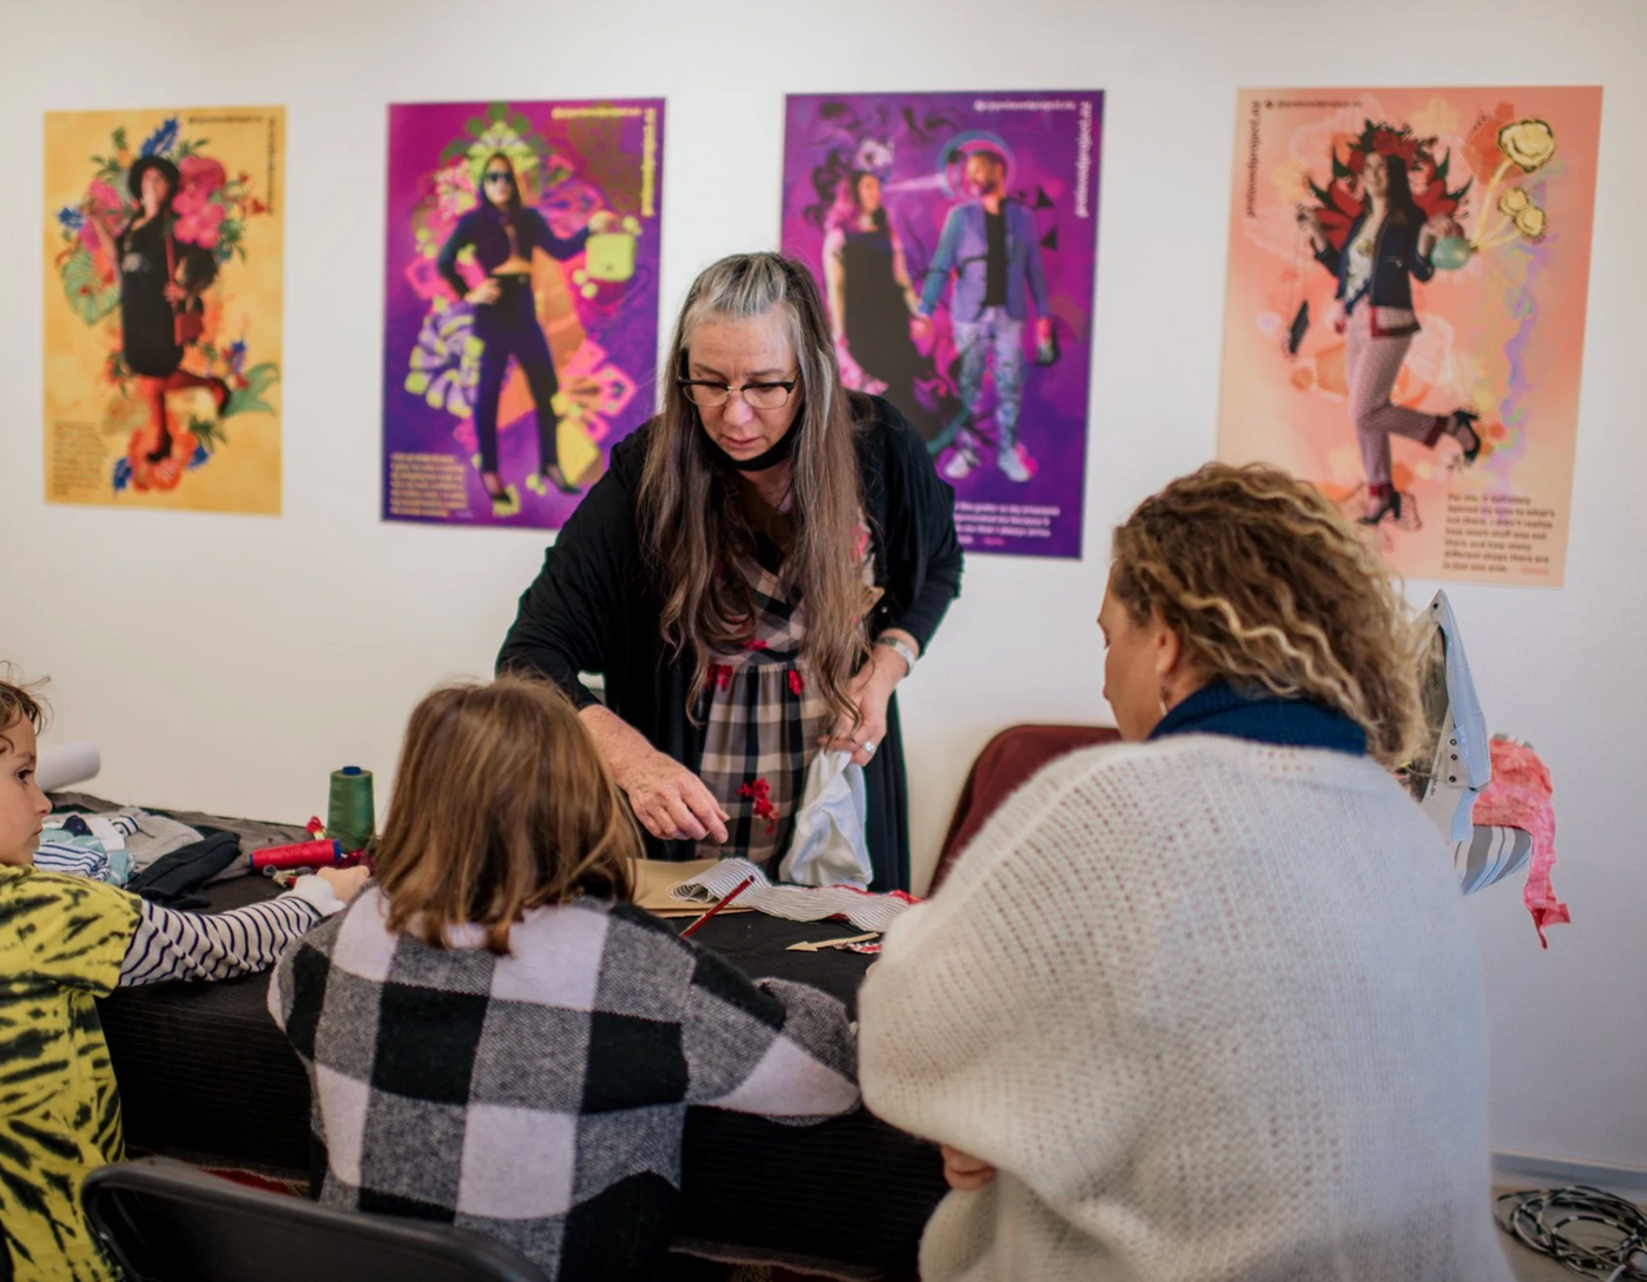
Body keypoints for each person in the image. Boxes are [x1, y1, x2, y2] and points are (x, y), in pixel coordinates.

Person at [856, 463, 1514, 1281]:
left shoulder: (1112, 803)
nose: (1103, 679)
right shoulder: (1402, 830)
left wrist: (987, 1113)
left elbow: (906, 1038)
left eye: (1111, 639)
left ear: (1164, 642)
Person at [269, 676, 858, 1282]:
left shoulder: (330, 947)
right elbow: (825, 1079)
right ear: (580, 794)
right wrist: (758, 995)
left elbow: (281, 997)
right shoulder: (632, 965)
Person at [0, 661, 369, 1282]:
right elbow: (216, 946)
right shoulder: (30, 907)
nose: (44, 802)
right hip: (51, 1265)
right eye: (21, 776)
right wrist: (322, 895)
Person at [497, 252, 962, 891]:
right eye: (710, 383)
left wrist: (885, 670)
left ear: (810, 374)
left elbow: (937, 566)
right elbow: (528, 657)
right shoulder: (647, 474)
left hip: (836, 791)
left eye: (766, 385)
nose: (734, 416)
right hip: (686, 823)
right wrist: (636, 766)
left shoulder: (878, 446)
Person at [1300, 147, 1482, 526]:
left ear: (1395, 175)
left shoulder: (1407, 220)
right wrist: (1316, 233)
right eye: (1368, 167)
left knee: (1364, 410)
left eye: (1382, 167)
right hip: (1356, 323)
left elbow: (1421, 270)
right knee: (1364, 417)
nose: (1373, 173)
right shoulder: (1361, 221)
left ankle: (1452, 427)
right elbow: (1342, 271)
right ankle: (1381, 495)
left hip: (1389, 320)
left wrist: (1427, 234)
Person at [436, 153, 616, 506]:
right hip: (493, 313)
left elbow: (560, 250)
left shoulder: (529, 218)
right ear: (484, 183)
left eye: (506, 177)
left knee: (545, 386)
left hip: (522, 309)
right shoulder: (473, 222)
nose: (500, 184)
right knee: (488, 395)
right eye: (493, 177)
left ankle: (550, 463)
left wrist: (590, 230)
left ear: (514, 182)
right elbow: (445, 260)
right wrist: (470, 292)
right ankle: (490, 472)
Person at [916, 147, 1053, 483]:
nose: (972, 178)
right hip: (969, 315)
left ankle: (1008, 450)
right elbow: (941, 264)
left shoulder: (1022, 217)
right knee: (968, 386)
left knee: (1009, 385)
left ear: (998, 171)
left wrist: (1043, 316)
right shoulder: (960, 217)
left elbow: (1034, 268)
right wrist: (925, 309)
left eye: (979, 170)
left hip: (1010, 315)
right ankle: (968, 449)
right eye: (969, 172)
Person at [91, 154, 224, 469]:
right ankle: (163, 433)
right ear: (139, 185)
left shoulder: (172, 227)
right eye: (147, 178)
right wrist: (96, 219)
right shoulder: (133, 225)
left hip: (160, 311)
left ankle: (210, 389)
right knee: (143, 368)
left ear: (169, 188)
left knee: (156, 374)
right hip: (135, 309)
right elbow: (115, 255)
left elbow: (207, 262)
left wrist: (187, 290)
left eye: (159, 179)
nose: (152, 183)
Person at [822, 169, 937, 423]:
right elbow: (836, 288)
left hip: (894, 321)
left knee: (901, 388)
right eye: (868, 186)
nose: (875, 192)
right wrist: (839, 333)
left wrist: (918, 312)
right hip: (861, 326)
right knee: (871, 396)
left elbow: (901, 277)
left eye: (876, 186)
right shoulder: (839, 236)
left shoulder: (887, 230)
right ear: (853, 192)